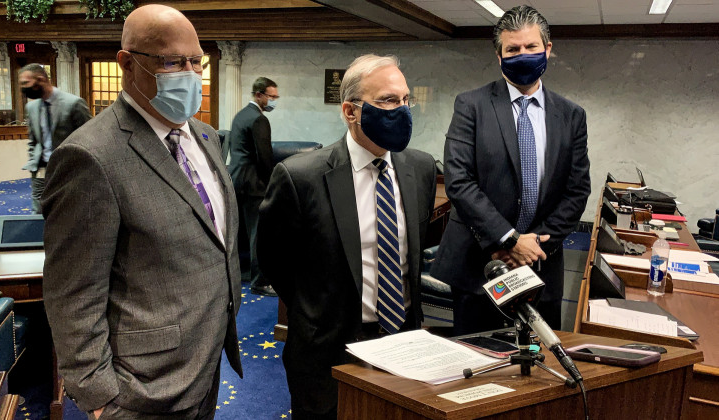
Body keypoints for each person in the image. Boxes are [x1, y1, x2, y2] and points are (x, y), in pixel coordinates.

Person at [41, 5, 242, 419]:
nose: (189, 73)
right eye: (172, 62)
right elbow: (73, 294)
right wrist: (100, 399)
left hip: (205, 362)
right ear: (127, 64)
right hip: (140, 389)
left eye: (195, 61)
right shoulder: (89, 156)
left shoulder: (204, 135)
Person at [258, 54, 437, 420]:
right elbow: (274, 262)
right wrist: (315, 311)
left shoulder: (420, 168)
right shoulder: (299, 177)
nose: (401, 110)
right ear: (350, 111)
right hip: (328, 351)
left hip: (402, 342)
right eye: (388, 100)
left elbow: (412, 256)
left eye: (405, 100)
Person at [431, 5, 591, 335]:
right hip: (480, 264)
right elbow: (459, 181)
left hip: (541, 265)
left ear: (547, 49)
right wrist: (509, 239)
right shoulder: (471, 105)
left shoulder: (571, 115)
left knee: (538, 367)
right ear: (499, 56)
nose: (523, 54)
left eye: (531, 47)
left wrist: (533, 247)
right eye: (512, 49)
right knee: (476, 363)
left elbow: (577, 191)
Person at [228, 77, 279, 296]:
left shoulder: (240, 115)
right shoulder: (259, 120)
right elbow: (264, 156)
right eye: (272, 97)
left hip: (236, 179)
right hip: (254, 184)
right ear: (259, 95)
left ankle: (244, 273)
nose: (274, 101)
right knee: (259, 233)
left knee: (239, 233)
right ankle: (259, 282)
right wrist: (272, 183)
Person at [18, 64, 90, 213]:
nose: (23, 88)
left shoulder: (74, 104)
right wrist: (33, 159)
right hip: (40, 170)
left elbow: (89, 138)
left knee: (67, 211)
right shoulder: (31, 108)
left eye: (26, 83)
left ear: (41, 79)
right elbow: (33, 140)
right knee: (38, 213)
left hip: (67, 170)